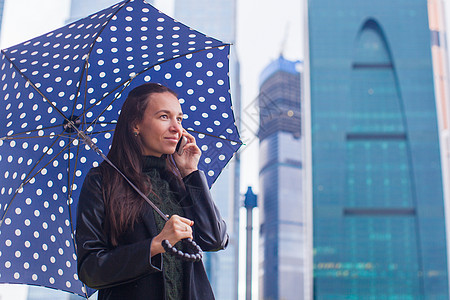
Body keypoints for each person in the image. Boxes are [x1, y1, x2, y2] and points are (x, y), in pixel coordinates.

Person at [75, 83, 228, 299]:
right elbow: (91, 269)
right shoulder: (102, 181)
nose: (176, 128)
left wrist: (191, 172)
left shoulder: (178, 182)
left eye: (179, 119)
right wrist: (155, 245)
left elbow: (214, 239)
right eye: (164, 117)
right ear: (136, 124)